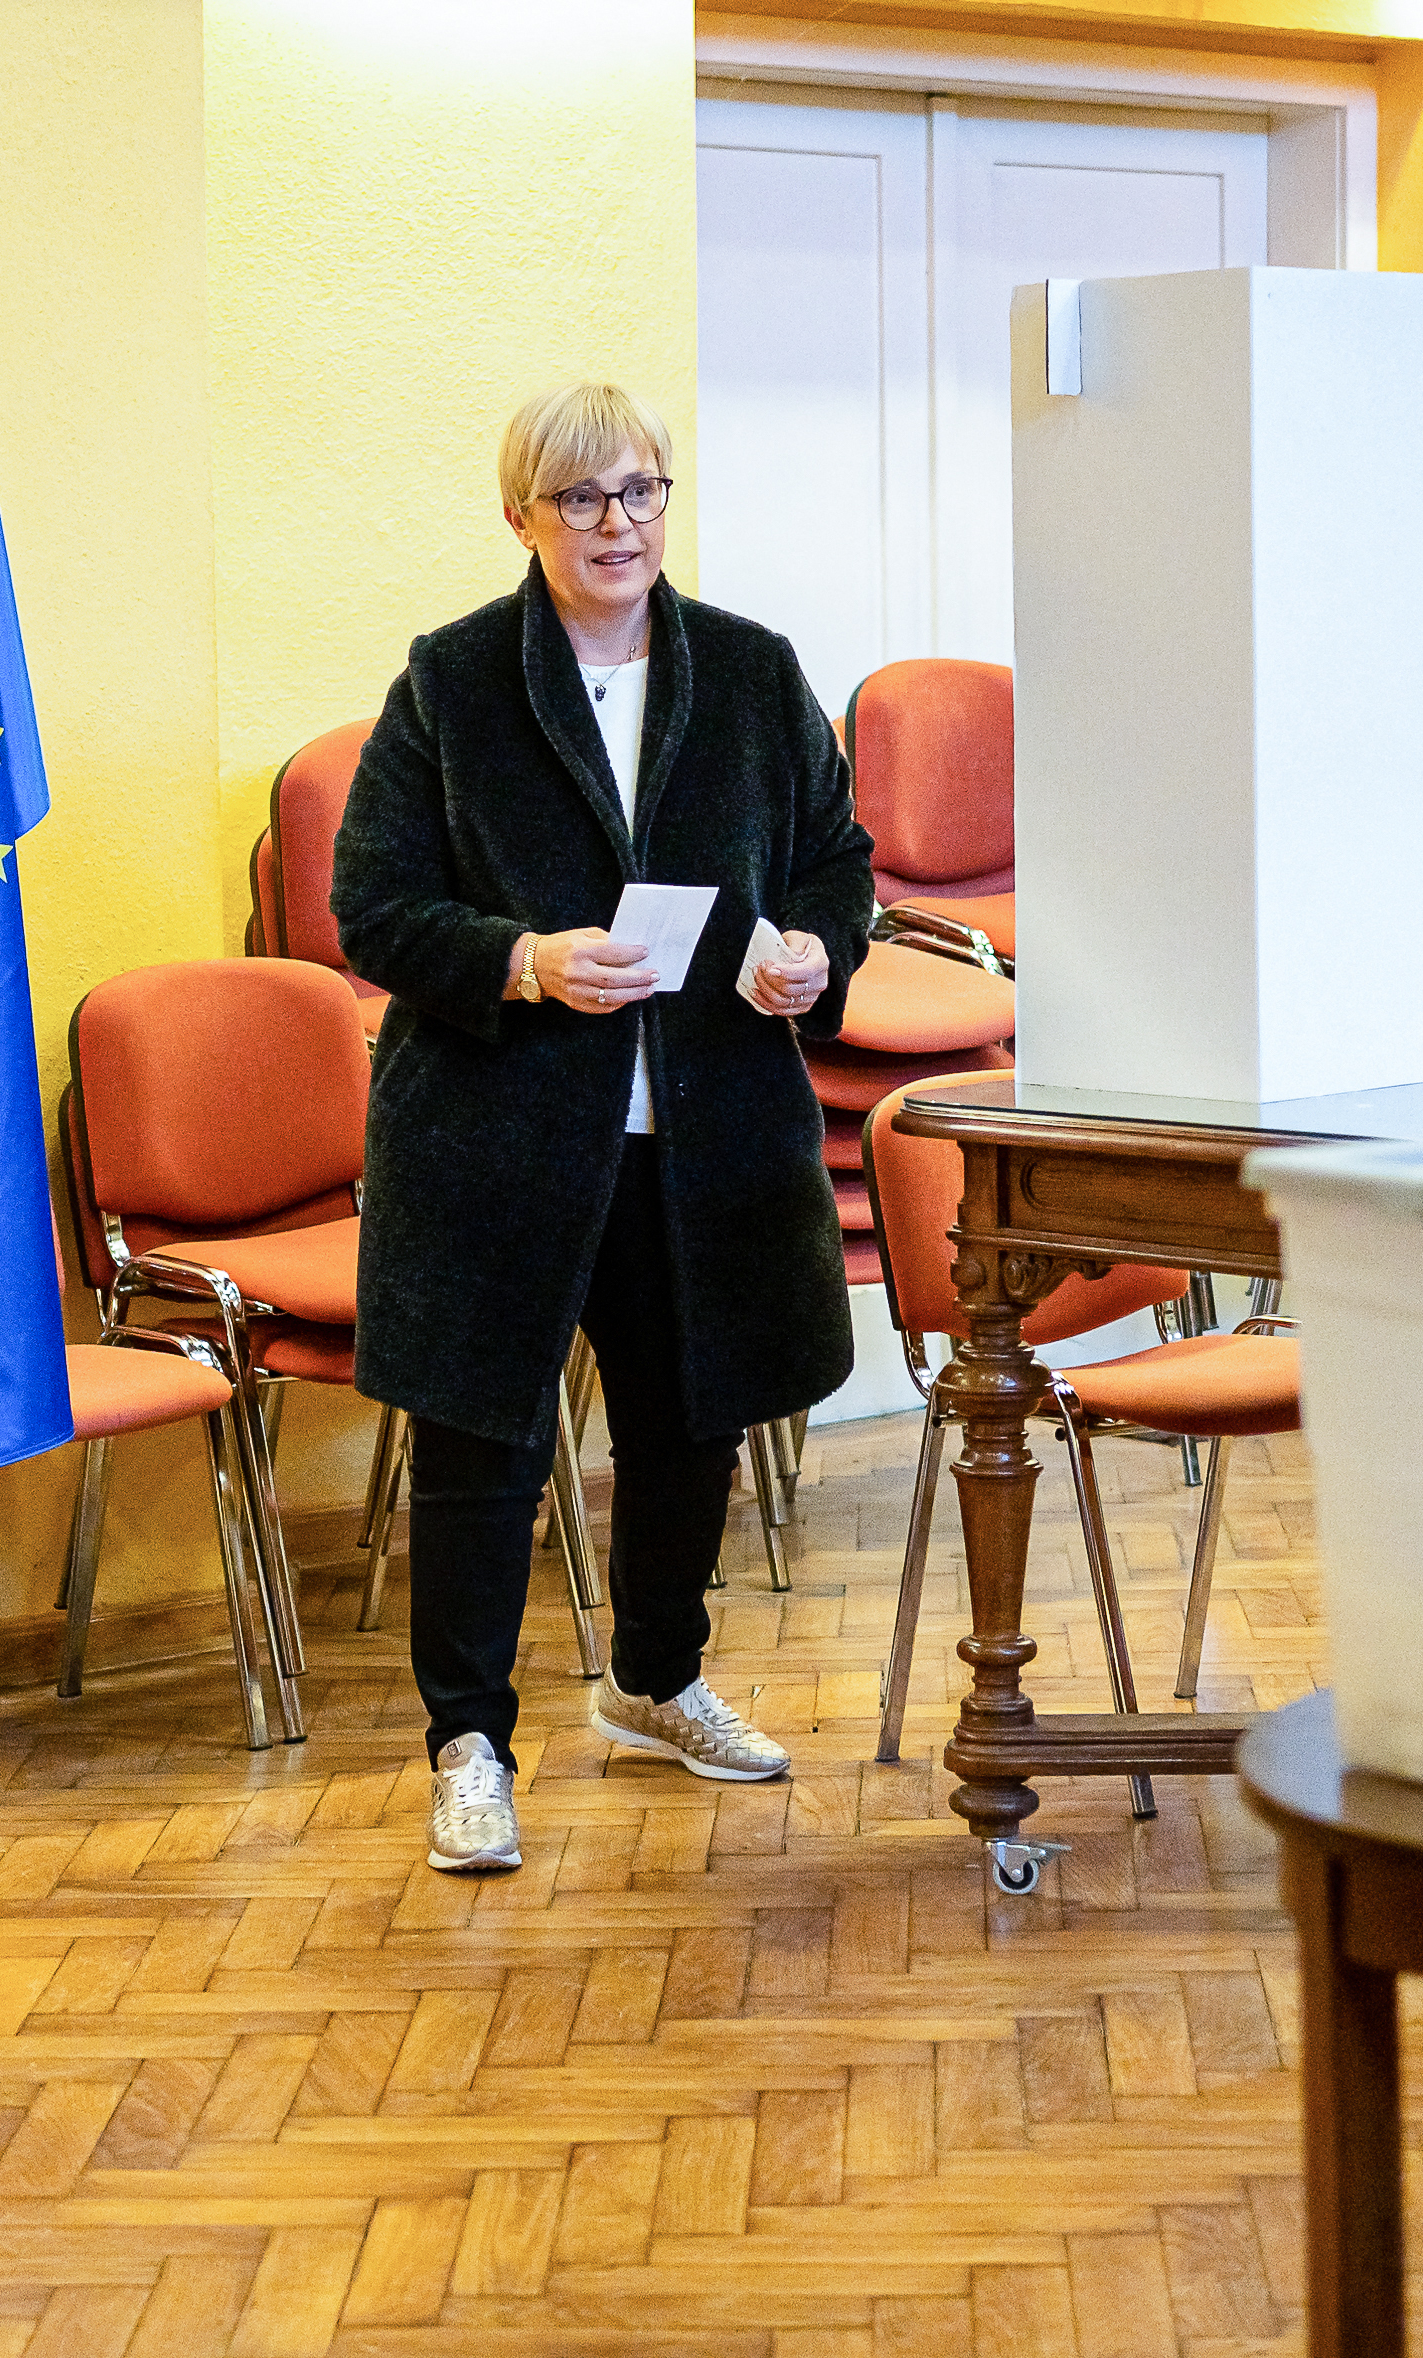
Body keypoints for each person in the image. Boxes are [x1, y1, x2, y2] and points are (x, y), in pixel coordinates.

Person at [332, 381, 875, 1875]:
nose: (617, 523)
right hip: (499, 1137)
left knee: (689, 1418)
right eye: (580, 499)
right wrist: (522, 959)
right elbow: (369, 905)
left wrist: (814, 951)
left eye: (640, 491)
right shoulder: (450, 683)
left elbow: (837, 860)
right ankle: (469, 1744)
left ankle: (654, 1679)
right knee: (482, 1442)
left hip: (703, 1130)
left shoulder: (755, 675)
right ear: (521, 517)